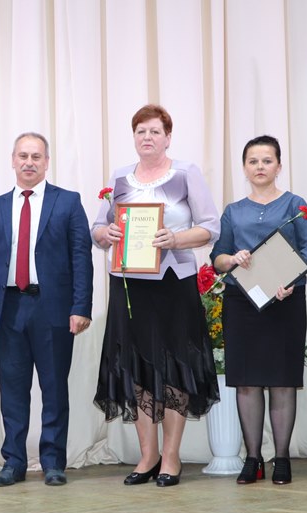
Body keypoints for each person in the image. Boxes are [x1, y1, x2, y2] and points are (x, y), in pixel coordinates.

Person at [92, 104, 221, 487]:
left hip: (173, 282)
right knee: (137, 366)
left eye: (154, 131)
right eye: (140, 131)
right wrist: (106, 234)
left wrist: (176, 239)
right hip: (128, 284)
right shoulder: (119, 177)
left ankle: (171, 456)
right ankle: (147, 456)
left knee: (175, 364)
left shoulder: (185, 173)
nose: (147, 137)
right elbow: (97, 228)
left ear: (167, 137)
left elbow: (210, 227)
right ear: (133, 137)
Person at [0, 132, 93, 487]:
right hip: (8, 308)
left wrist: (81, 306)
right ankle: (13, 462)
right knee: (12, 390)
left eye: (36, 156)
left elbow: (81, 257)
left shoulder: (68, 202)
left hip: (52, 308)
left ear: (46, 162)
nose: (29, 162)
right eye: (23, 156)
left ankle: (53, 461)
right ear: (13, 160)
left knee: (54, 388)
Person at [210, 135, 307, 485]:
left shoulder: (295, 205)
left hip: (286, 300)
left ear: (279, 166)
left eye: (267, 160)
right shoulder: (233, 211)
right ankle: (253, 458)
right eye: (253, 161)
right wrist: (233, 258)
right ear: (244, 167)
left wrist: (290, 280)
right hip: (242, 302)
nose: (260, 167)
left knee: (283, 382)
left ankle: (282, 458)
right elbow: (218, 257)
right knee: (247, 382)